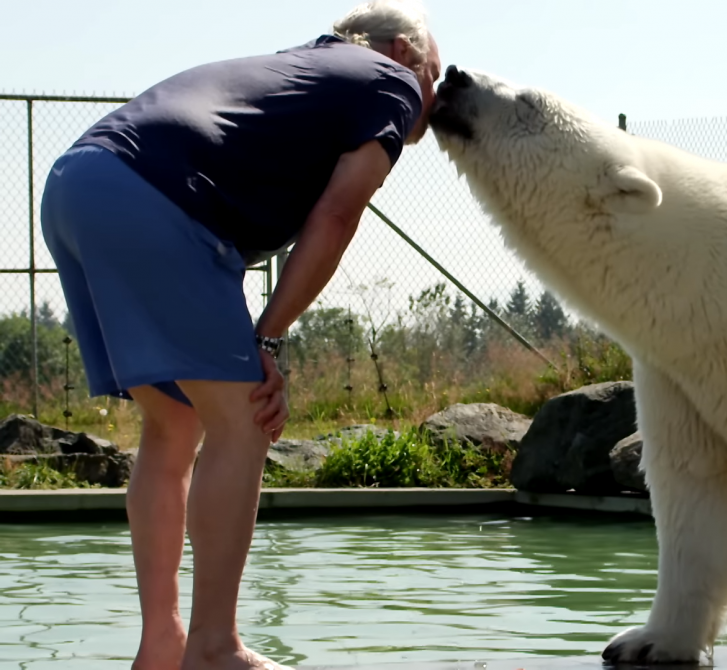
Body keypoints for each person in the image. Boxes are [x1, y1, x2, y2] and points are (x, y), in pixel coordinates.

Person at [38, 1, 442, 669]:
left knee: (173, 424)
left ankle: (162, 645)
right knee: (244, 418)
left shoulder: (301, 71)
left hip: (81, 184)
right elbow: (338, 215)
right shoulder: (387, 80)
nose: (434, 90)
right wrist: (271, 339)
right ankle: (215, 649)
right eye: (436, 71)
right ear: (404, 50)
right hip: (155, 194)